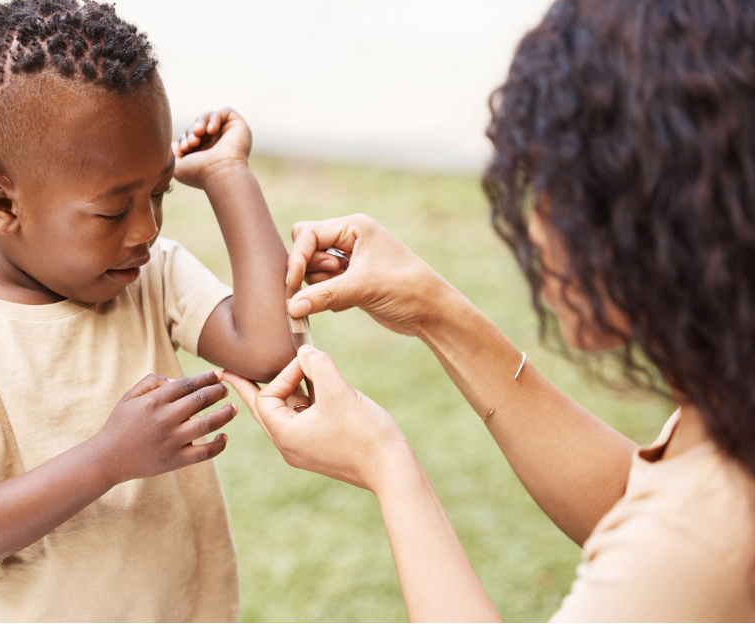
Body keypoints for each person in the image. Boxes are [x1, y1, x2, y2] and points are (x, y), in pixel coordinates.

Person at [227, 0, 755, 621]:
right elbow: (639, 505)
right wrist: (432, 308)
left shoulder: (698, 539)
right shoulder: (721, 430)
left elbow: (670, 548)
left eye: (554, 191)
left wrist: (385, 461)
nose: (533, 227)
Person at [0, 1, 294, 621]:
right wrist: (107, 459)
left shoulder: (152, 276)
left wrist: (229, 174)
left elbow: (267, 349)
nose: (146, 230)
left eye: (160, 193)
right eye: (112, 211)